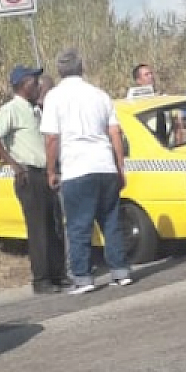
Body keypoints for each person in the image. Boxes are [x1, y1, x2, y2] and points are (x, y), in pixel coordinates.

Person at [41, 49, 132, 294]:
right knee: (110, 221)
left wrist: (51, 170)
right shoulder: (99, 95)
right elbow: (115, 133)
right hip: (105, 165)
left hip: (76, 168)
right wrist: (119, 166)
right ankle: (120, 272)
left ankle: (83, 277)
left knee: (79, 226)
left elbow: (51, 138)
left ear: (59, 71)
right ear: (82, 68)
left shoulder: (54, 97)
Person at [0, 66, 67, 295]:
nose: (38, 85)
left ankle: (59, 274)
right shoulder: (11, 109)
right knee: (39, 229)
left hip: (46, 173)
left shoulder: (36, 110)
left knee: (55, 225)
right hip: (29, 175)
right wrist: (13, 164)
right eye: (34, 81)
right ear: (23, 84)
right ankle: (42, 279)